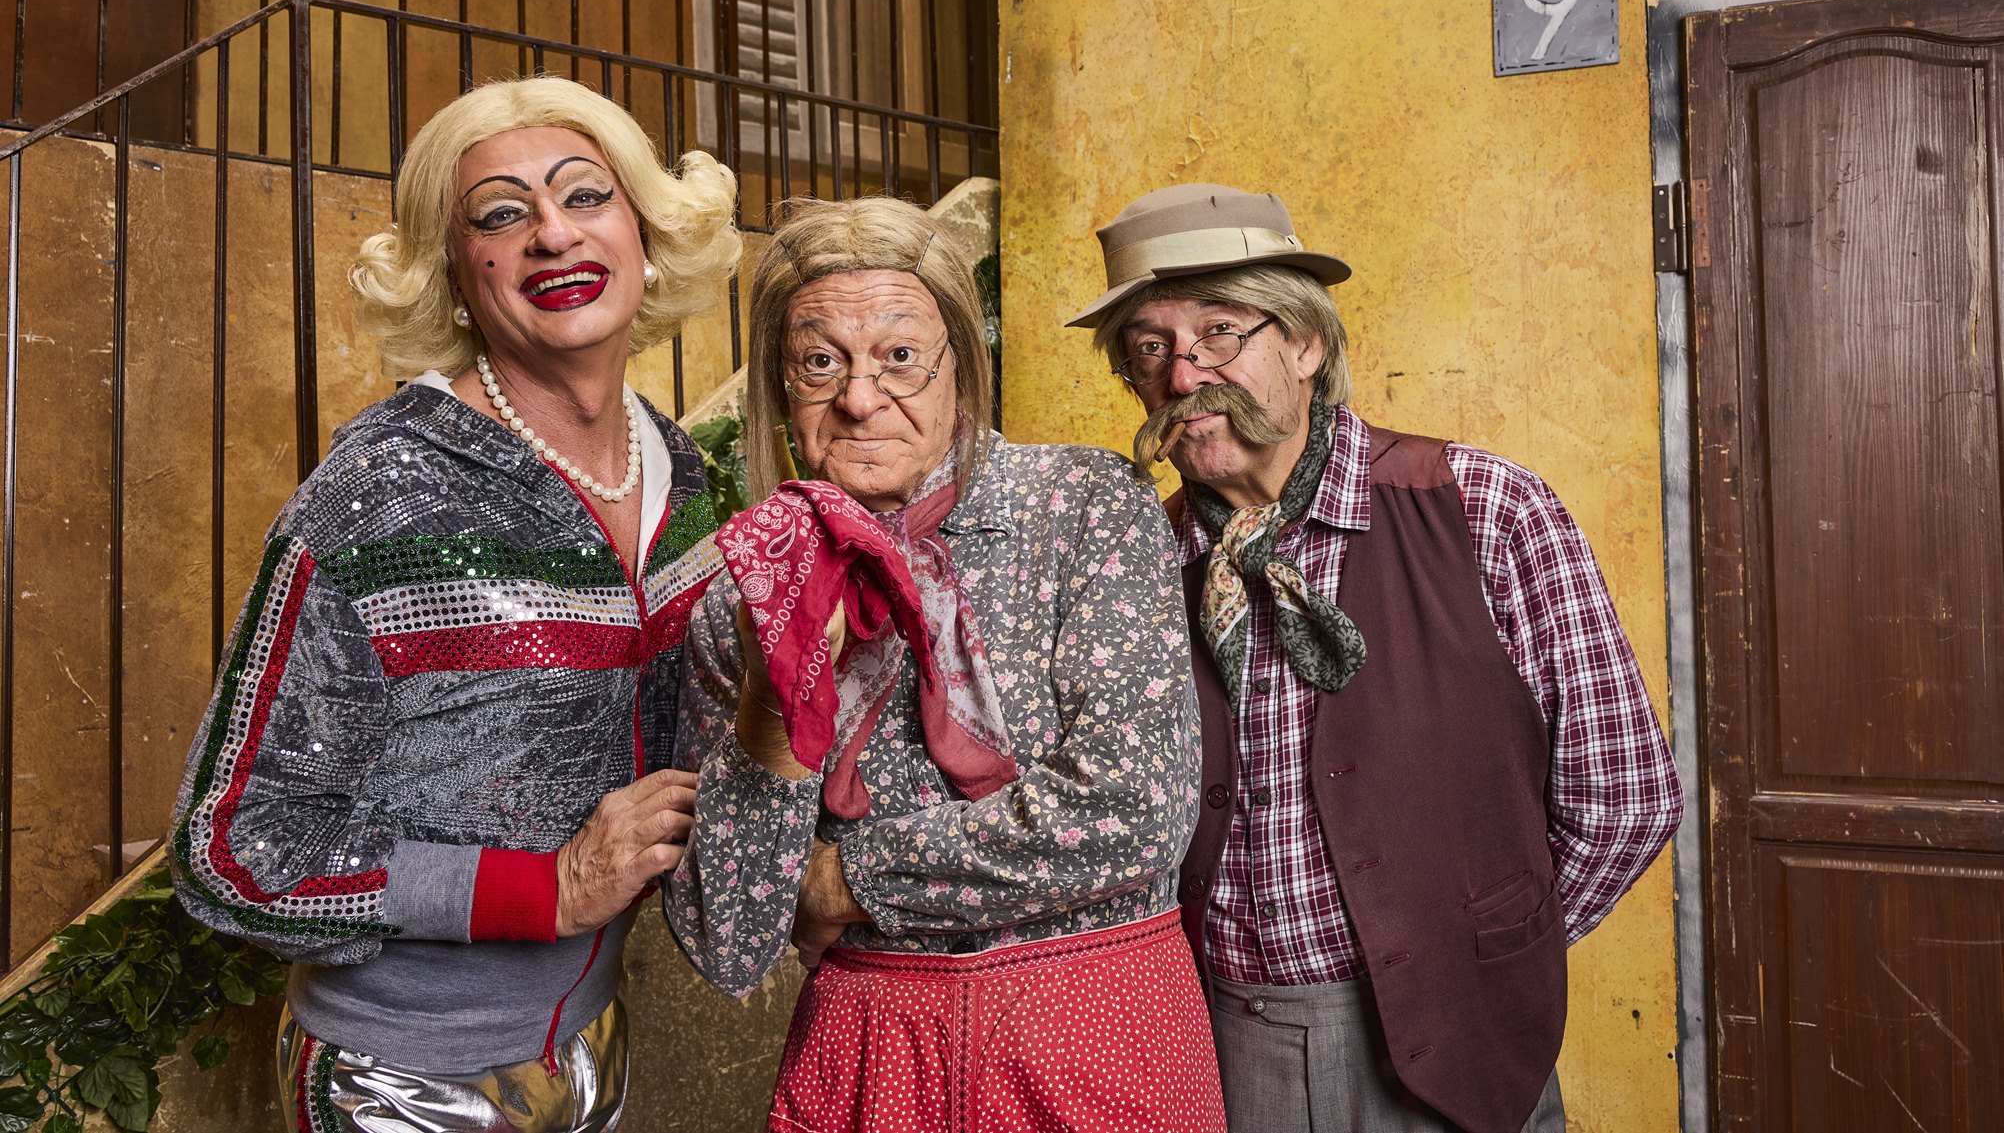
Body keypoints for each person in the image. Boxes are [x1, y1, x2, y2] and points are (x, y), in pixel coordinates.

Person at [168, 76, 740, 1133]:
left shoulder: (679, 468)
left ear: (647, 231)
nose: (552, 235)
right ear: (455, 275)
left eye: (584, 195)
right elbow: (234, 847)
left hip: (592, 1036)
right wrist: (546, 887)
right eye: (502, 214)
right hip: (403, 1071)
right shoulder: (381, 489)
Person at [1068, 184, 1684, 1133]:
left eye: (1221, 330)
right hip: (1219, 1044)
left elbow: (1626, 797)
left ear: (1308, 342)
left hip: (1451, 1048)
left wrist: (1476, 968)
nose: (1185, 375)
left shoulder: (1482, 507)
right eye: (1150, 348)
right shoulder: (1149, 557)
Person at [663, 195, 1226, 1133]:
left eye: (898, 354)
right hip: (867, 1049)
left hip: (1096, 1026)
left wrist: (847, 879)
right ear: (780, 389)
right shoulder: (741, 597)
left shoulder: (1083, 507)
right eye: (818, 361)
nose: (858, 395)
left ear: (961, 367)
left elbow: (1132, 813)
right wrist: (776, 698)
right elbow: (729, 941)